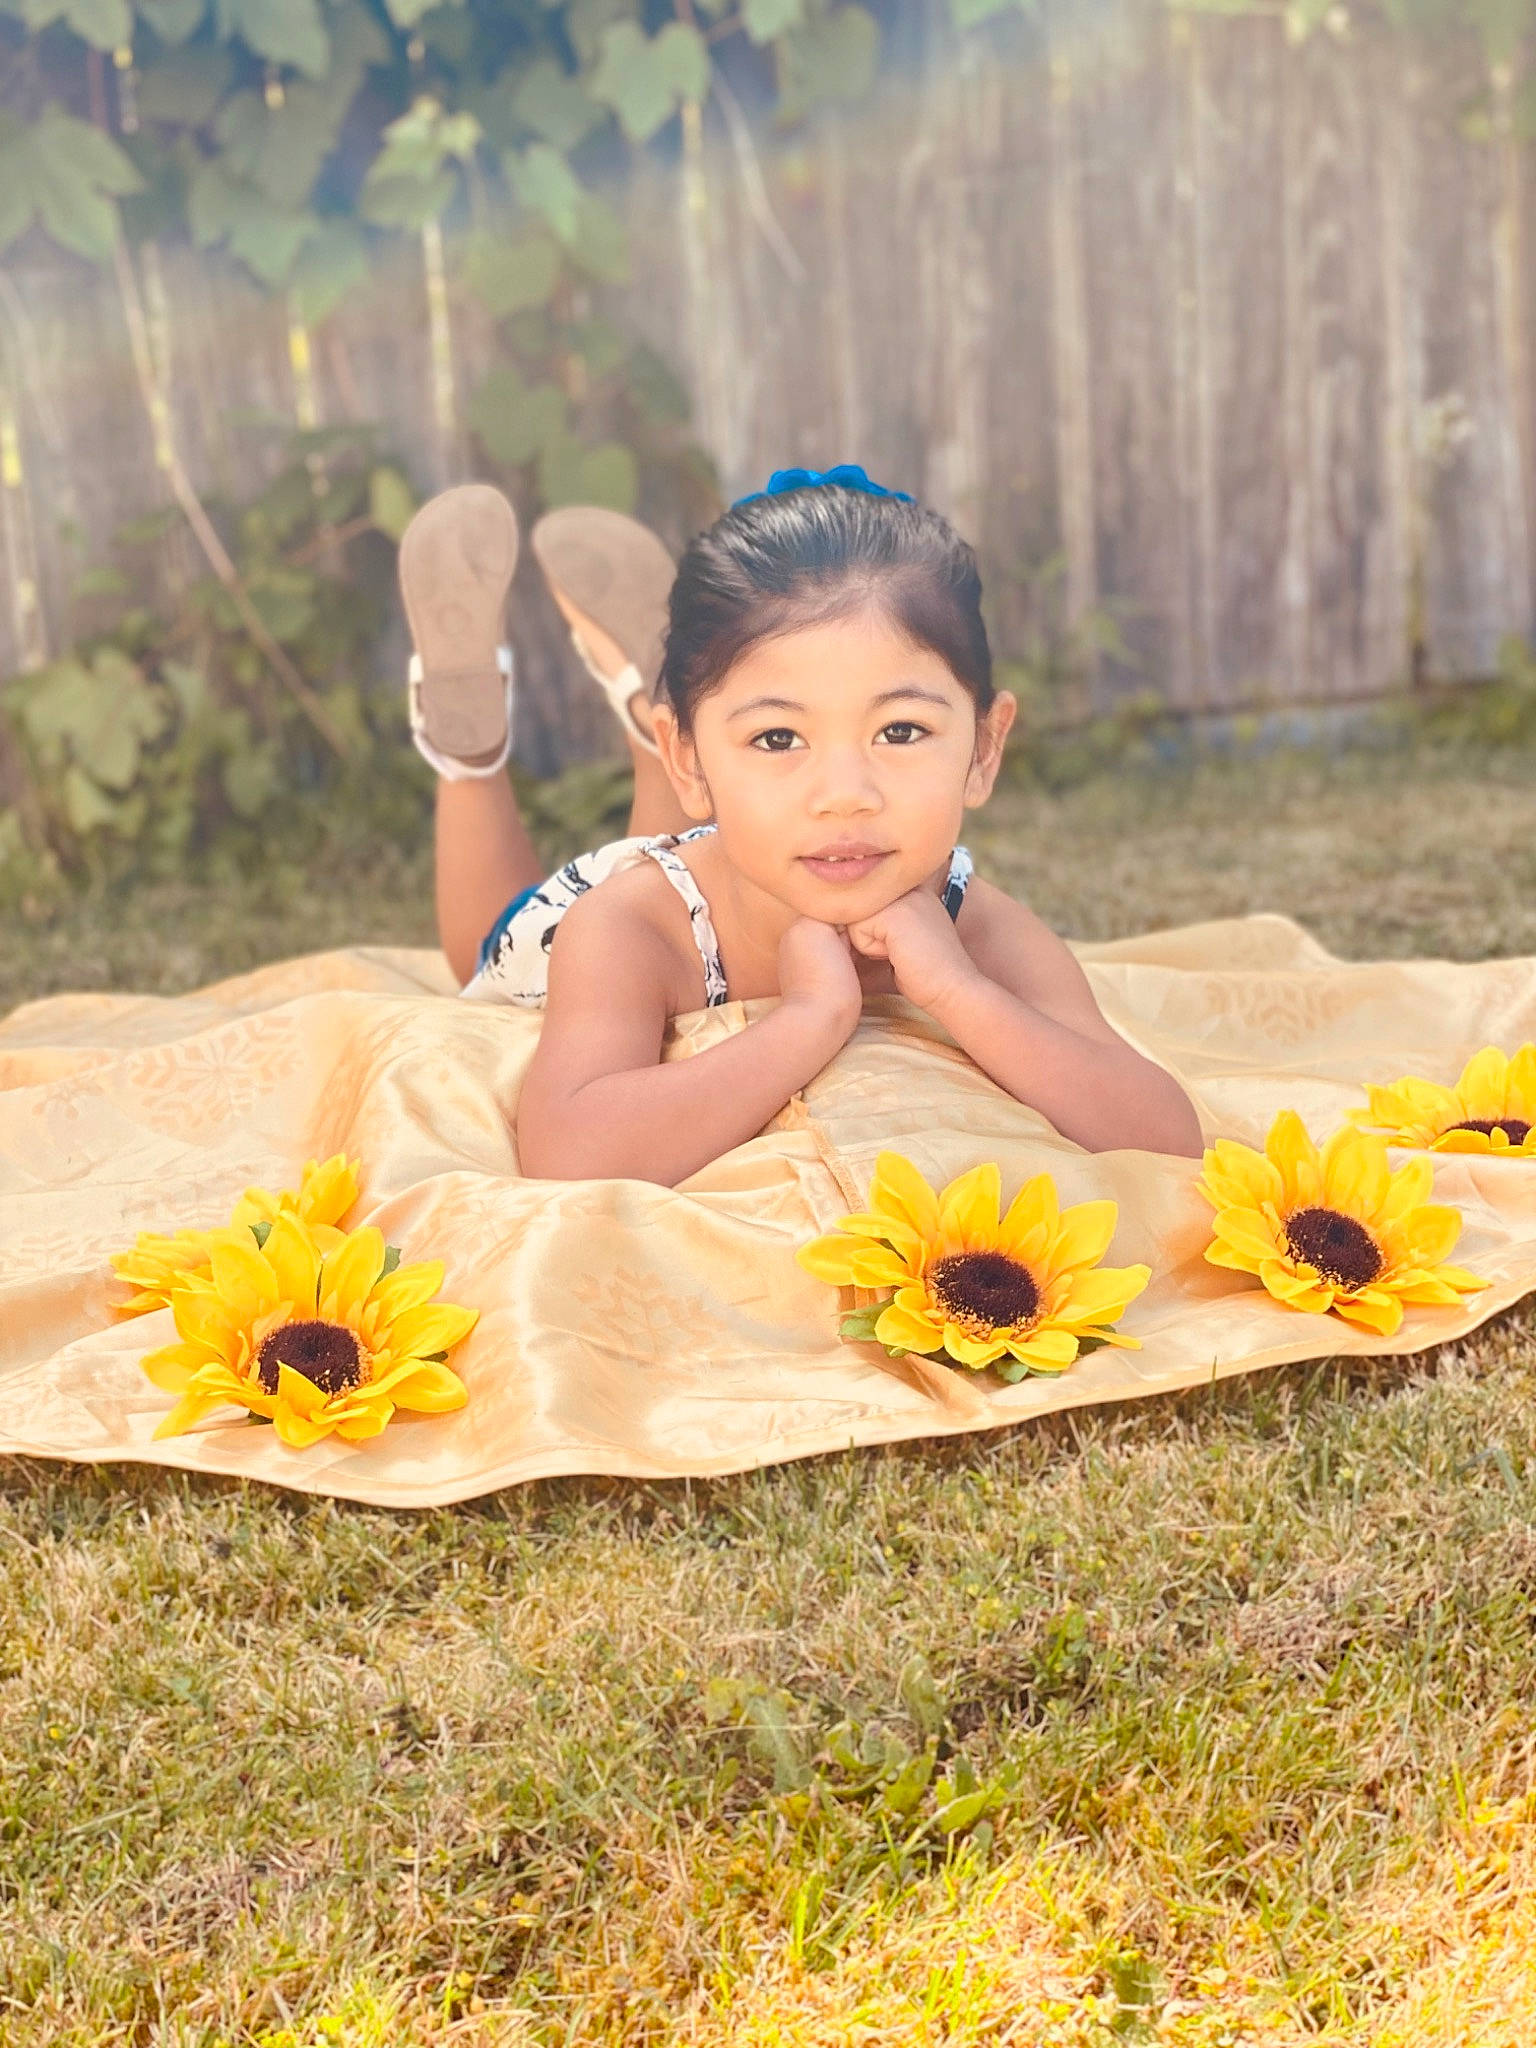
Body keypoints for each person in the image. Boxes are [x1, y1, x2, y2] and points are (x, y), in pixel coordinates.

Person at [399, 465, 1204, 1184]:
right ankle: (465, 743)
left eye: (900, 732)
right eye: (779, 737)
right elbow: (570, 1151)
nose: (845, 796)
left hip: (731, 821)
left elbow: (1163, 1135)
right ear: (698, 761)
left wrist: (957, 989)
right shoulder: (624, 928)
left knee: (743, 802)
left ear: (984, 749)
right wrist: (810, 1020)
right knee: (481, 935)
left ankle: (665, 725)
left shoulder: (973, 923)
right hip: (589, 920)